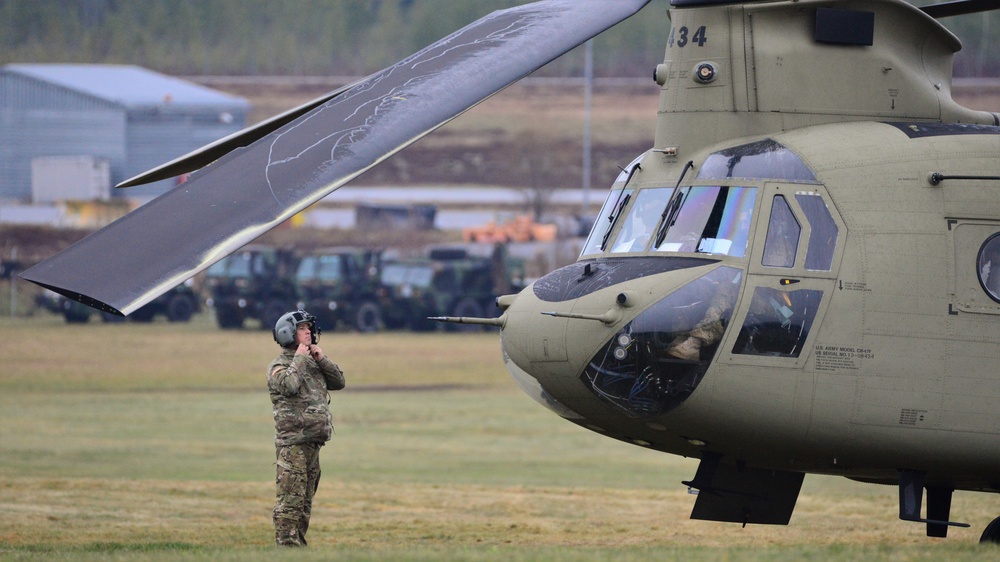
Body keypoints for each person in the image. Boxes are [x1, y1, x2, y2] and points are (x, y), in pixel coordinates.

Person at [266, 309, 345, 547]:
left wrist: (321, 359)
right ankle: (287, 549)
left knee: (305, 502)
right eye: (302, 328)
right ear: (288, 333)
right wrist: (300, 358)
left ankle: (299, 547)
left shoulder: (311, 362)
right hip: (293, 446)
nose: (308, 331)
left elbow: (339, 382)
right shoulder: (278, 367)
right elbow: (289, 386)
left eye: (309, 327)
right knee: (290, 501)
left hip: (313, 444)